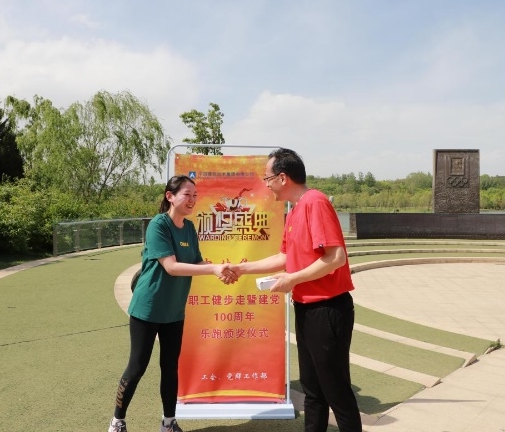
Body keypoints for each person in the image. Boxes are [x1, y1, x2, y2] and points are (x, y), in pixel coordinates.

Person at [232, 148, 362, 432]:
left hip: (327, 309)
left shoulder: (315, 202)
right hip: (306, 308)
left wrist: (292, 279)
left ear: (282, 178)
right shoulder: (293, 212)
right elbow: (285, 257)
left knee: (336, 392)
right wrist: (243, 269)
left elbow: (335, 257)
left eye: (268, 179)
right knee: (313, 391)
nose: (266, 185)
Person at [108, 175, 236, 432]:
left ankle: (168, 423)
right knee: (137, 367)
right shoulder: (158, 225)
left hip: (174, 312)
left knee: (170, 368)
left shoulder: (189, 228)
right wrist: (212, 269)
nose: (192, 200)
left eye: (195, 195)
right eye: (187, 194)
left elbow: (197, 261)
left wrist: (220, 270)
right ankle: (117, 422)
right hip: (147, 308)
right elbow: (172, 267)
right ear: (170, 196)